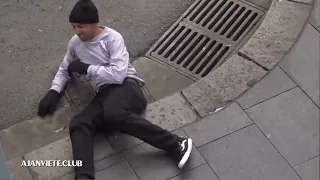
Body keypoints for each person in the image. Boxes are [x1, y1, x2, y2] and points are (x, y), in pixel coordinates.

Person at [37, 0, 193, 179]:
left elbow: (118, 74)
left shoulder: (113, 39)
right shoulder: (75, 43)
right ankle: (84, 176)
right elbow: (65, 68)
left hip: (128, 86)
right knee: (79, 123)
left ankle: (177, 144)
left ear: (93, 23)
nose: (77, 32)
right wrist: (54, 91)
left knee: (114, 114)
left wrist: (88, 69)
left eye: (81, 26)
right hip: (104, 94)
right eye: (74, 27)